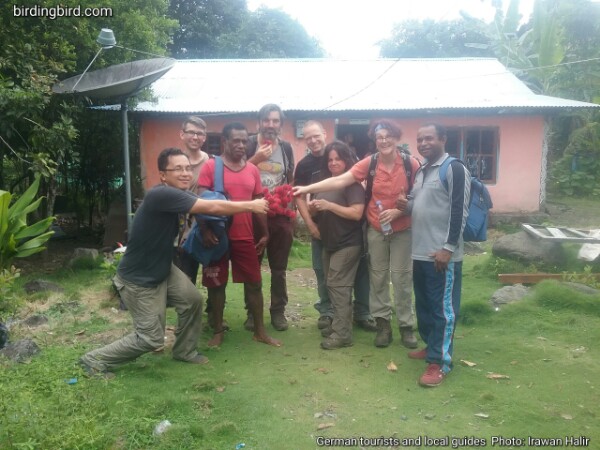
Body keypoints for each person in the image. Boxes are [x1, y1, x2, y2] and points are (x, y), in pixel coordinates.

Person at [79, 148, 269, 378]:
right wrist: (251, 205)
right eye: (177, 169)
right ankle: (94, 359)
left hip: (162, 268)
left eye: (188, 168)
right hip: (139, 279)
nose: (185, 173)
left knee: (192, 300)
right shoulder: (162, 195)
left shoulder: (179, 194)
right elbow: (210, 207)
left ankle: (184, 351)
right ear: (163, 175)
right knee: (150, 338)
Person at [294, 120, 420, 349]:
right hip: (375, 229)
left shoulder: (411, 164)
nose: (384, 140)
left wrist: (403, 208)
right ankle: (383, 326)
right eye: (379, 137)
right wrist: (306, 189)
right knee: (378, 278)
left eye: (388, 136)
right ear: (375, 140)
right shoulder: (369, 164)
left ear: (396, 137)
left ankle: (406, 327)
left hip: (402, 229)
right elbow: (340, 179)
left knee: (402, 279)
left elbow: (421, 196)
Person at [396, 124, 470, 387]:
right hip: (420, 252)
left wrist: (448, 248)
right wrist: (407, 205)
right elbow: (419, 203)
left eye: (429, 138)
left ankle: (440, 363)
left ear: (442, 139)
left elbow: (459, 210)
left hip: (441, 254)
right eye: (419, 139)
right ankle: (431, 347)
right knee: (425, 305)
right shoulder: (422, 171)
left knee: (443, 310)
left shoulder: (454, 168)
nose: (424, 143)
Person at [199, 122, 280, 348]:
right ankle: (217, 330)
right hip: (217, 237)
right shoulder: (210, 166)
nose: (241, 145)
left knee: (254, 283)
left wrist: (264, 233)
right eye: (236, 140)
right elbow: (200, 202)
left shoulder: (253, 170)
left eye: (245, 141)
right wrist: (204, 231)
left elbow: (259, 204)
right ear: (225, 142)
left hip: (245, 237)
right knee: (216, 285)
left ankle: (260, 331)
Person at [294, 120, 376, 332]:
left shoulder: (350, 173)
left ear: (324, 133)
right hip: (324, 233)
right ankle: (331, 316)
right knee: (327, 276)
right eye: (307, 137)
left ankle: (357, 317)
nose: (333, 162)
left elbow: (357, 208)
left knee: (352, 277)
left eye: (316, 135)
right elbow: (302, 198)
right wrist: (311, 219)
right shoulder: (308, 168)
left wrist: (330, 205)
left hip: (348, 236)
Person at [307, 141, 365, 349]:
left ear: (346, 160)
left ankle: (343, 334)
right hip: (328, 243)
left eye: (338, 159)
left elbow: (357, 213)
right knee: (331, 285)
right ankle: (340, 325)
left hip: (348, 243)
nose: (333, 163)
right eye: (330, 159)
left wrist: (329, 205)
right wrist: (313, 208)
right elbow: (316, 211)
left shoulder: (352, 185)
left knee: (339, 286)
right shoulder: (326, 184)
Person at [245, 104, 295, 331]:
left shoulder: (285, 147)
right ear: (259, 122)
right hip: (254, 213)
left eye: (275, 121)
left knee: (279, 268)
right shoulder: (247, 144)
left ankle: (278, 312)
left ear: (281, 125)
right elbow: (236, 172)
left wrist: (289, 209)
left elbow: (290, 178)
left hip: (279, 216)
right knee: (252, 265)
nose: (271, 125)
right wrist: (255, 158)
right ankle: (252, 312)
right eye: (267, 120)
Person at [174, 116, 211, 285]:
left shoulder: (211, 163)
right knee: (184, 276)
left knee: (211, 274)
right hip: (179, 229)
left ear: (204, 137)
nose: (195, 137)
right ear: (182, 134)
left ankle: (212, 309)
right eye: (191, 132)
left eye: (199, 133)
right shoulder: (173, 162)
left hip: (205, 227)